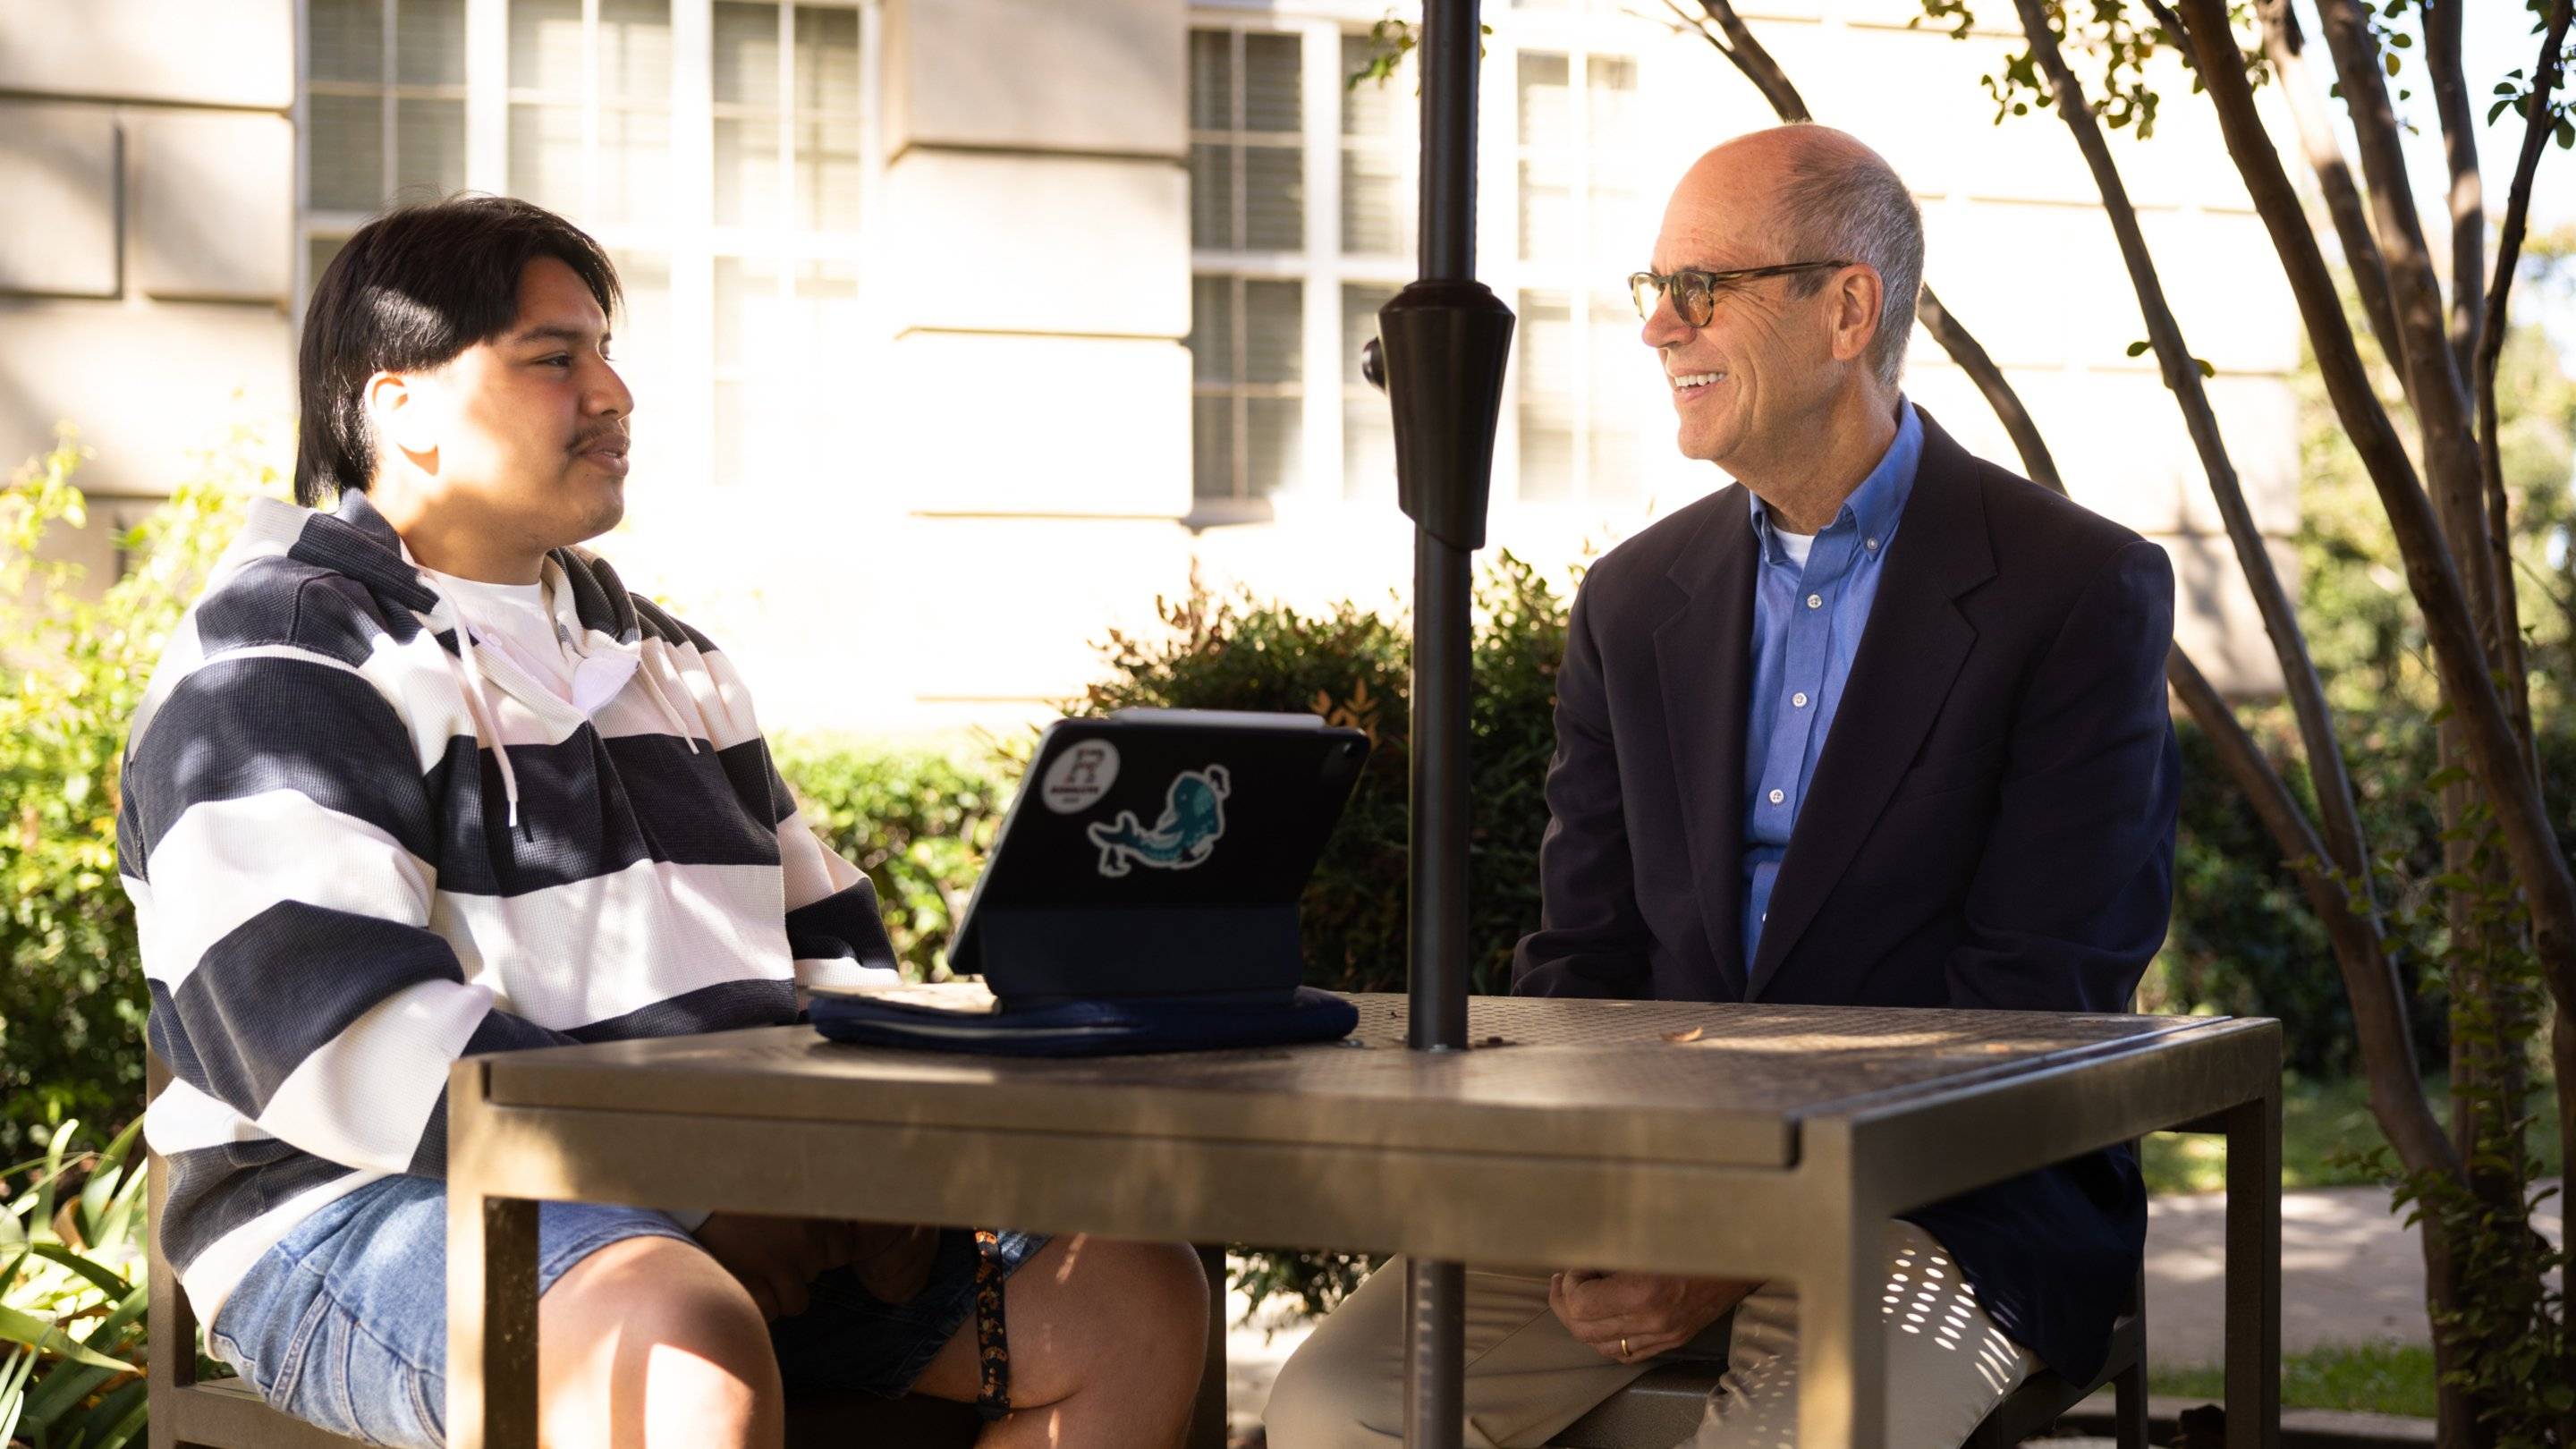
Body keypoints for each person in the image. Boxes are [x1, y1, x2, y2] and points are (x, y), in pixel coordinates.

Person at [123, 195, 1209, 1449]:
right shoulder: (281, 656)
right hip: (358, 1210)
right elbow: (336, 1042)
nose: (615, 393)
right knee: (677, 1356)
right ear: (402, 405)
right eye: (554, 358)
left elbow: (833, 958)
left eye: (605, 351)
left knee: (1132, 1298)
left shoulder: (672, 663)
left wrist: (881, 1175)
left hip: (720, 1195)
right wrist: (690, 1195)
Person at [1265, 123, 2177, 1449]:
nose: (1658, 328)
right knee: (1333, 1408)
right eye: (1656, 288)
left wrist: (1740, 1229)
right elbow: (1581, 961)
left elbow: (2036, 1000)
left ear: (1847, 311)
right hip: (1650, 1176)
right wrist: (1603, 1195)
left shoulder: (2077, 590)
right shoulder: (1634, 599)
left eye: (1701, 288)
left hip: (1958, 1199)